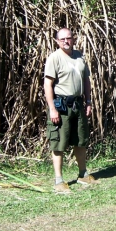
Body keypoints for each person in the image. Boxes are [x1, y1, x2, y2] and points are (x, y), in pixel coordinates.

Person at [44, 27, 98, 193]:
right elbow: (48, 85)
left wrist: (88, 102)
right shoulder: (54, 58)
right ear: (57, 41)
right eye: (62, 39)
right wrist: (52, 108)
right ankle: (59, 181)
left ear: (73, 39)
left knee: (80, 141)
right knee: (59, 143)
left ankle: (83, 174)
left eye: (69, 38)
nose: (66, 41)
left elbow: (86, 80)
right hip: (62, 106)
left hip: (78, 105)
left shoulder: (79, 56)